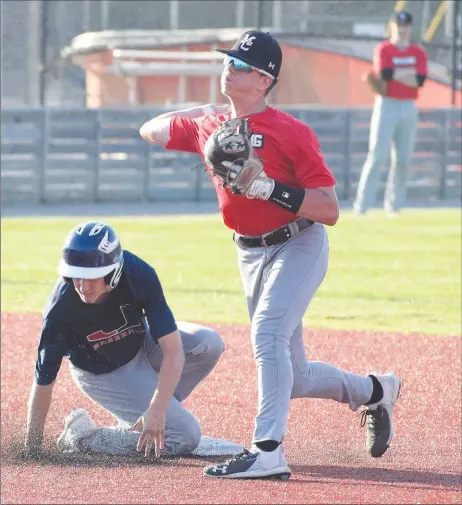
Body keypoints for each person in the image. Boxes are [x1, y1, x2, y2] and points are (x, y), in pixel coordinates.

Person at [139, 29, 401, 480]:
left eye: (240, 65)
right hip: (249, 253)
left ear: (264, 80)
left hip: (298, 242)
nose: (229, 68)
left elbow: (329, 209)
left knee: (266, 335)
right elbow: (149, 130)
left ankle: (267, 450)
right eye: (227, 61)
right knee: (293, 375)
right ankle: (377, 390)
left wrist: (270, 189)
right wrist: (201, 114)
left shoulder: (291, 132)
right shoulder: (212, 124)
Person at [24, 221, 243, 459]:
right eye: (76, 276)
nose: (83, 286)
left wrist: (158, 408)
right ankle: (83, 438)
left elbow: (172, 349)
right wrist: (31, 448)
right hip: (103, 373)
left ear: (114, 271)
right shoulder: (60, 308)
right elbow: (44, 381)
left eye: (92, 277)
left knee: (208, 343)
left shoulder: (138, 273)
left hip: (141, 343)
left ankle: (157, 415)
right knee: (185, 436)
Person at [354, 10, 428, 215]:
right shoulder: (384, 49)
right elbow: (384, 74)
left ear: (410, 28)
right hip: (387, 104)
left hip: (409, 105)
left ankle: (394, 206)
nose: (402, 30)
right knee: (377, 155)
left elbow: (420, 80)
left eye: (405, 26)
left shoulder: (418, 52)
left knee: (403, 158)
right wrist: (407, 75)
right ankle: (363, 206)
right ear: (392, 27)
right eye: (398, 26)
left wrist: (397, 74)